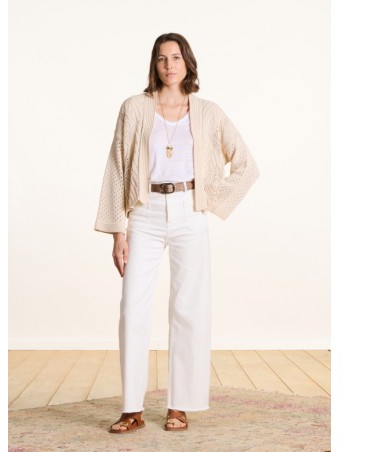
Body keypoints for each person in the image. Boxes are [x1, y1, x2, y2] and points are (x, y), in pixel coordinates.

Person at [94, 32, 259, 433]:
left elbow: (246, 165)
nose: (169, 65)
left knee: (189, 309)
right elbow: (117, 167)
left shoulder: (208, 112)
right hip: (145, 212)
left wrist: (210, 198)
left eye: (176, 57)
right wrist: (118, 232)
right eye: (162, 58)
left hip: (189, 213)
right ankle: (132, 409)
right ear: (154, 64)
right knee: (132, 308)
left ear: (188, 63)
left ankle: (179, 405)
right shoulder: (134, 108)